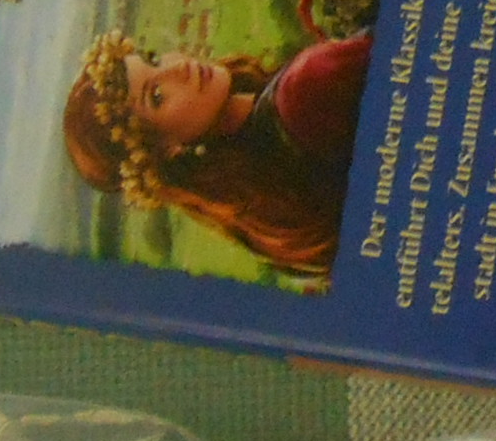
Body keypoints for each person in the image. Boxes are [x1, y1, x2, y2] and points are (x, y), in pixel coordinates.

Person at [61, 29, 369, 281]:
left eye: (153, 59)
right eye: (157, 95)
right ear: (168, 152)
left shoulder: (262, 211)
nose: (176, 67)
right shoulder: (301, 91)